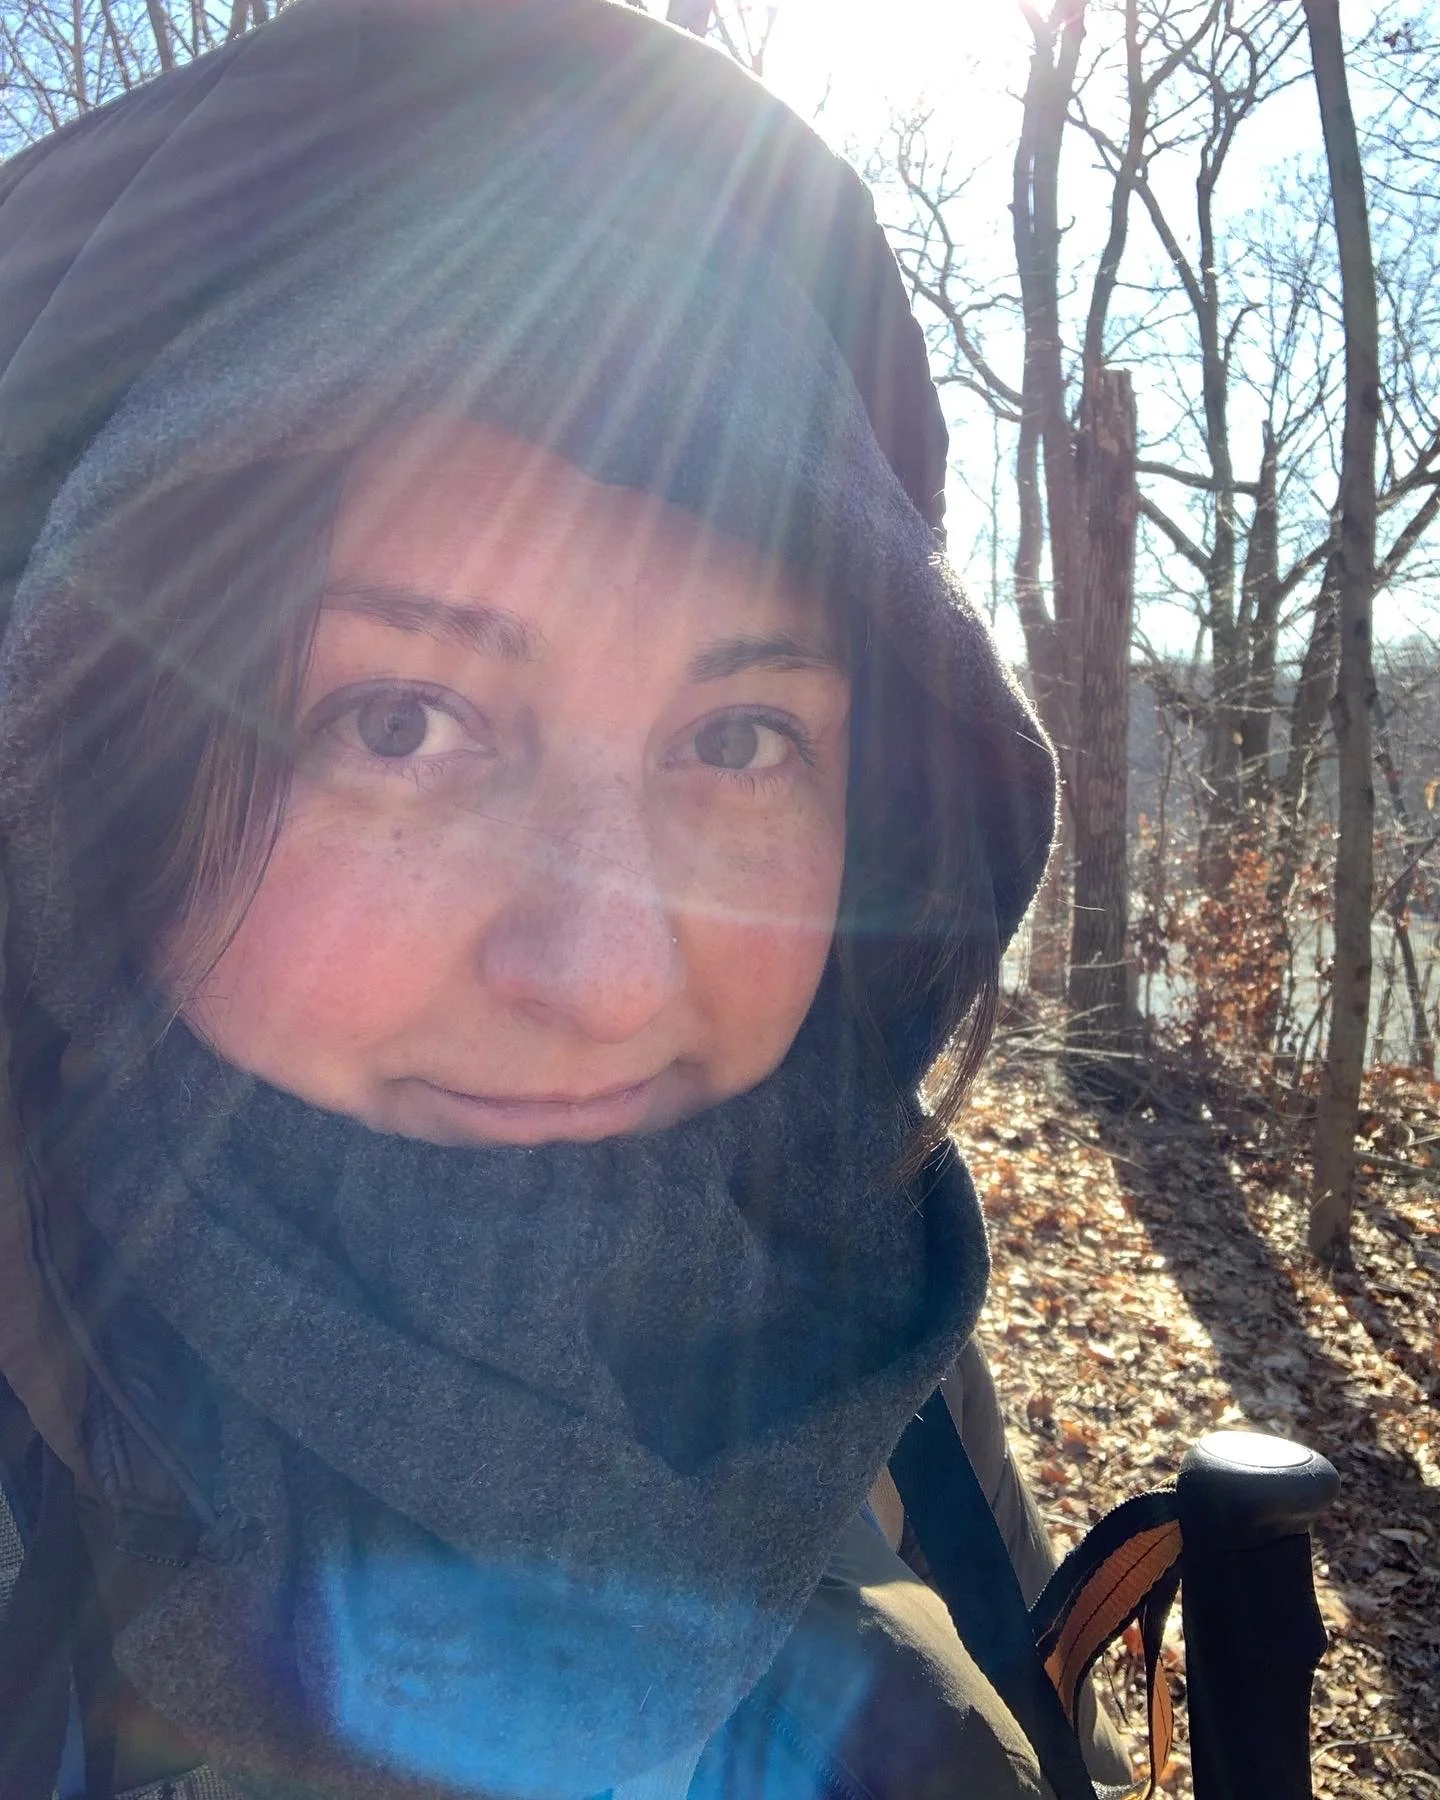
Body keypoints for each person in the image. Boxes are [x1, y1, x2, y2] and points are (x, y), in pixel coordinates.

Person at [0, 2, 1133, 1795]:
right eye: (399, 722)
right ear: (72, 784)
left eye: (740, 737)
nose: (609, 975)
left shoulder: (852, 1288)